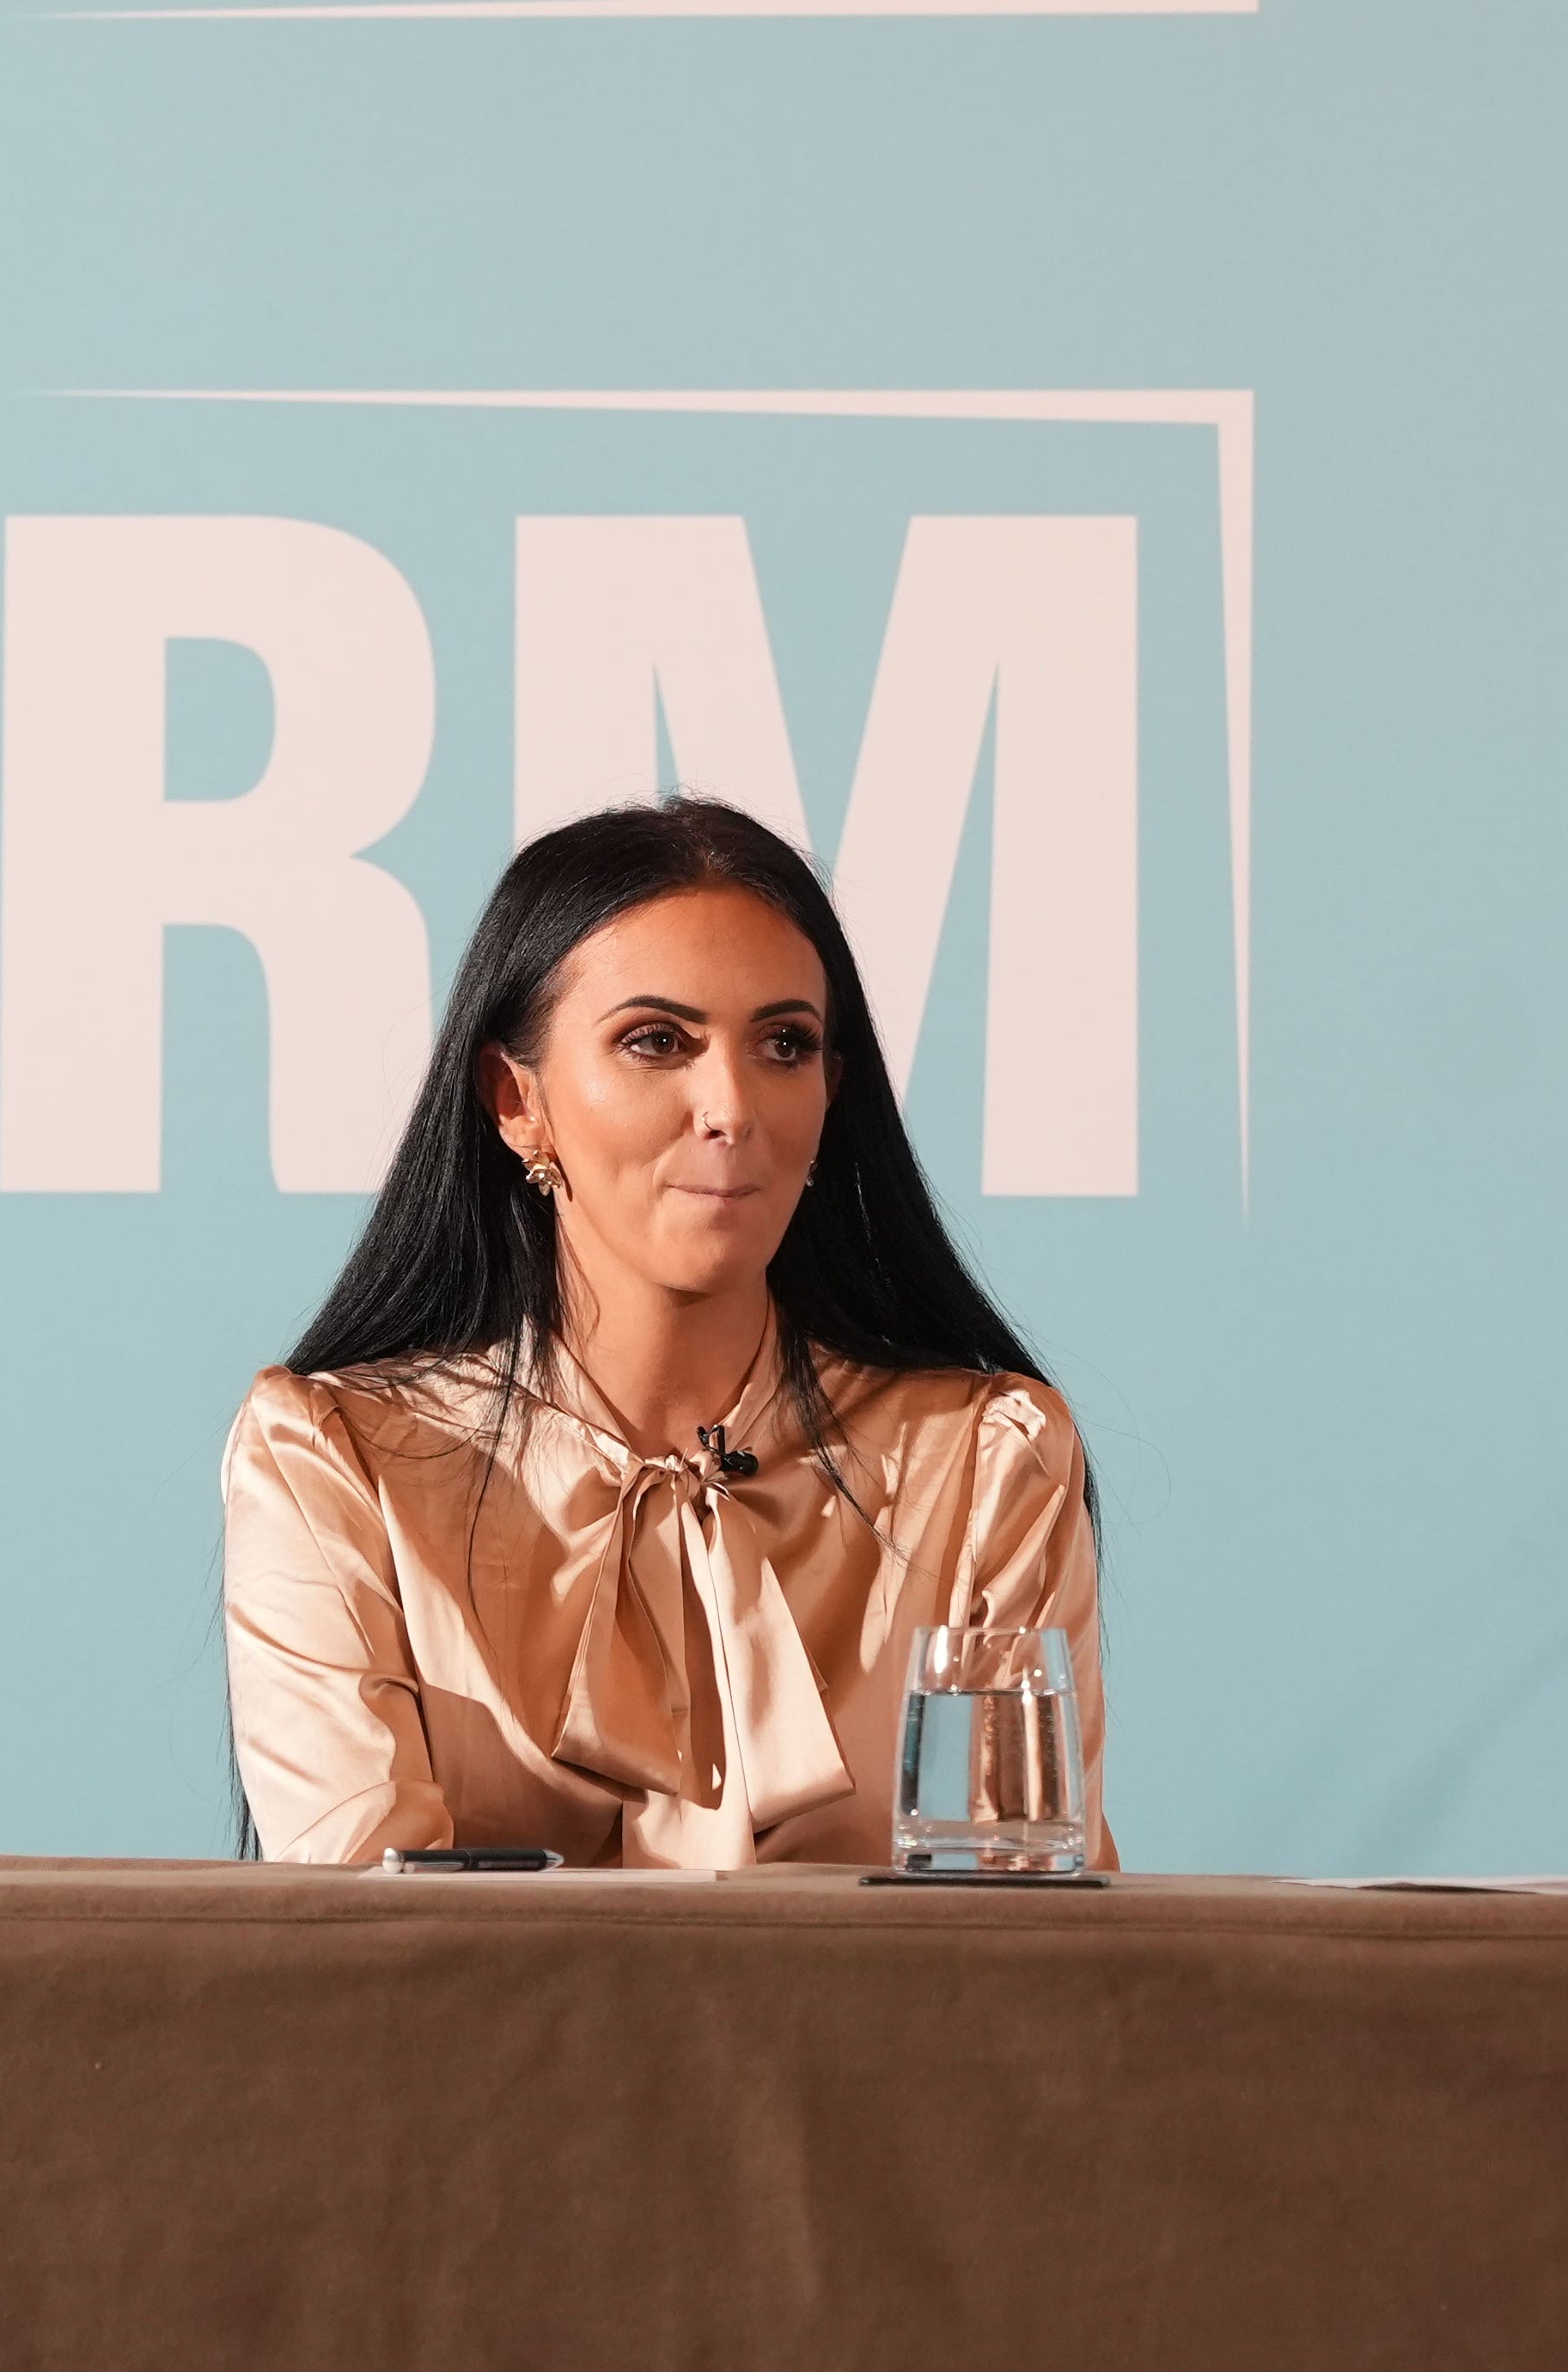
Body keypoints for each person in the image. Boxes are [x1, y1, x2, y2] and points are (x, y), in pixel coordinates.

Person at [223, 798, 1108, 1867]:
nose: (732, 1104)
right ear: (516, 1100)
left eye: (785, 1044)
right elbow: (371, 1965)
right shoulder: (334, 1462)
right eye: (657, 1041)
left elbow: (1036, 1953)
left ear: (833, 1092)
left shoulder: (986, 1463)